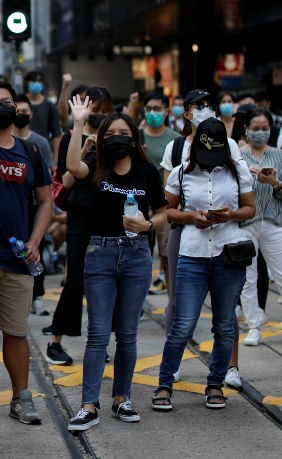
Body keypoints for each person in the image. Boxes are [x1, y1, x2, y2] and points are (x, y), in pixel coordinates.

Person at [63, 103, 166, 430]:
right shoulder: (94, 166)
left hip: (137, 256)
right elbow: (70, 166)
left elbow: (163, 211)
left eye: (124, 133)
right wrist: (79, 125)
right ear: (102, 137)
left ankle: (122, 398)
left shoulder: (147, 172)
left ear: (134, 139)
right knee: (97, 334)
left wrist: (149, 225)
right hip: (101, 253)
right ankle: (88, 405)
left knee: (127, 334)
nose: (118, 139)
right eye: (112, 134)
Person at [153, 118, 255, 412]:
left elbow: (251, 208)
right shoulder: (181, 173)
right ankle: (164, 384)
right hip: (192, 256)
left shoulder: (238, 172)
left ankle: (215, 384)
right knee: (182, 325)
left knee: (224, 327)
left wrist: (230, 214)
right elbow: (167, 212)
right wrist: (190, 217)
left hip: (228, 256)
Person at [0, 79, 52, 426]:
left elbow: (46, 202)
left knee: (17, 334)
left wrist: (34, 242)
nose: (3, 107)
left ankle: (21, 399)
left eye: (8, 101)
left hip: (19, 259)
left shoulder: (30, 151)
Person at [44, 86, 114, 366]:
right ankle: (56, 340)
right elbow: (66, 180)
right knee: (75, 281)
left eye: (103, 111)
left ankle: (100, 342)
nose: (98, 116)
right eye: (93, 111)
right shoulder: (71, 138)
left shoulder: (116, 137)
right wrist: (84, 151)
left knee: (106, 284)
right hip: (81, 217)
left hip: (110, 217)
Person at [238, 108, 282, 347]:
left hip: (273, 221)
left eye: (264, 128)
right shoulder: (238, 156)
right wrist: (248, 176)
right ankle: (253, 326)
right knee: (248, 278)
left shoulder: (280, 155)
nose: (260, 132)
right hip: (246, 223)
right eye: (255, 128)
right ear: (246, 129)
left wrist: (274, 183)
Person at [13, 93, 55, 316]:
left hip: (33, 206)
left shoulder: (39, 143)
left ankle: (37, 296)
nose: (21, 114)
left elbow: (47, 178)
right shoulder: (3, 138)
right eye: (16, 110)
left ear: (32, 114)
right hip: (12, 207)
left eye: (24, 111)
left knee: (36, 251)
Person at [141, 91, 181, 296]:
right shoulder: (137, 136)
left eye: (157, 109)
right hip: (139, 199)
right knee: (141, 246)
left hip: (165, 201)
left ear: (166, 111)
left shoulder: (176, 140)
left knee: (166, 248)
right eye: (148, 109)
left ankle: (168, 285)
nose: (153, 113)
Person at [23, 70, 63, 148]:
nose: (37, 83)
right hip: (21, 148)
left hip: (43, 149)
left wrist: (55, 157)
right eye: (34, 80)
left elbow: (56, 133)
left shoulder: (49, 105)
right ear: (27, 82)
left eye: (40, 80)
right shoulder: (20, 103)